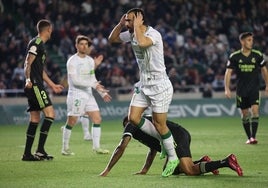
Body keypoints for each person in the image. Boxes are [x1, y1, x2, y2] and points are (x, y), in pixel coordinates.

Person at [108, 7, 178, 177]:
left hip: (160, 85)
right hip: (144, 84)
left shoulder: (153, 34)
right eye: (126, 20)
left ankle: (173, 157)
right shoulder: (131, 33)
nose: (127, 23)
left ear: (140, 20)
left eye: (130, 20)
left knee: (159, 124)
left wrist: (137, 27)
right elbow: (112, 39)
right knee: (133, 118)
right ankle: (163, 142)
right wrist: (120, 23)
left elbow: (142, 43)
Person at [100, 115, 243, 177]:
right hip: (179, 134)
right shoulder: (144, 128)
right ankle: (203, 162)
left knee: (189, 171)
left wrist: (107, 170)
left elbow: (121, 146)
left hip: (177, 137)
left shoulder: (132, 123)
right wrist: (144, 170)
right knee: (171, 170)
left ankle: (226, 161)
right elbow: (153, 150)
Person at [61, 35, 111, 156]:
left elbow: (93, 79)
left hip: (88, 94)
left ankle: (97, 147)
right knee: (72, 121)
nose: (84, 46)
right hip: (76, 94)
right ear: (76, 45)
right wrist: (94, 86)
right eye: (81, 44)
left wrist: (102, 92)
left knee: (97, 119)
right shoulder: (72, 61)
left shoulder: (89, 61)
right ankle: (65, 148)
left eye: (86, 44)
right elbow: (74, 81)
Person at [22, 19, 64, 161]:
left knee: (35, 118)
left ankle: (27, 154)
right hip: (34, 85)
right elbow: (28, 62)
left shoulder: (40, 45)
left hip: (35, 83)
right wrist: (28, 79)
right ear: (49, 30)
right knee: (50, 114)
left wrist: (52, 85)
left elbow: (40, 70)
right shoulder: (37, 43)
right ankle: (40, 150)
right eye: (51, 29)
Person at [224, 32, 268, 144]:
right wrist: (227, 88)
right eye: (248, 40)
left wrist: (267, 85)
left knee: (255, 110)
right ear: (242, 41)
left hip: (254, 88)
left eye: (251, 40)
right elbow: (228, 72)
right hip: (241, 90)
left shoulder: (257, 55)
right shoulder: (234, 56)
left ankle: (253, 137)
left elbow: (264, 70)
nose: (251, 42)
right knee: (245, 114)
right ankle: (249, 137)